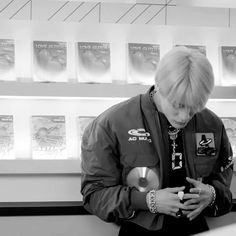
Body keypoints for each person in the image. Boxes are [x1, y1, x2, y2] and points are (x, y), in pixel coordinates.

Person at [80, 46, 233, 236]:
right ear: (159, 85)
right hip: (139, 230)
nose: (184, 116)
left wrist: (211, 195)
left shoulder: (212, 124)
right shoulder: (111, 124)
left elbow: (223, 184)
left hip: (196, 228)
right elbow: (94, 195)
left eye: (194, 108)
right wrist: (147, 201)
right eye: (178, 105)